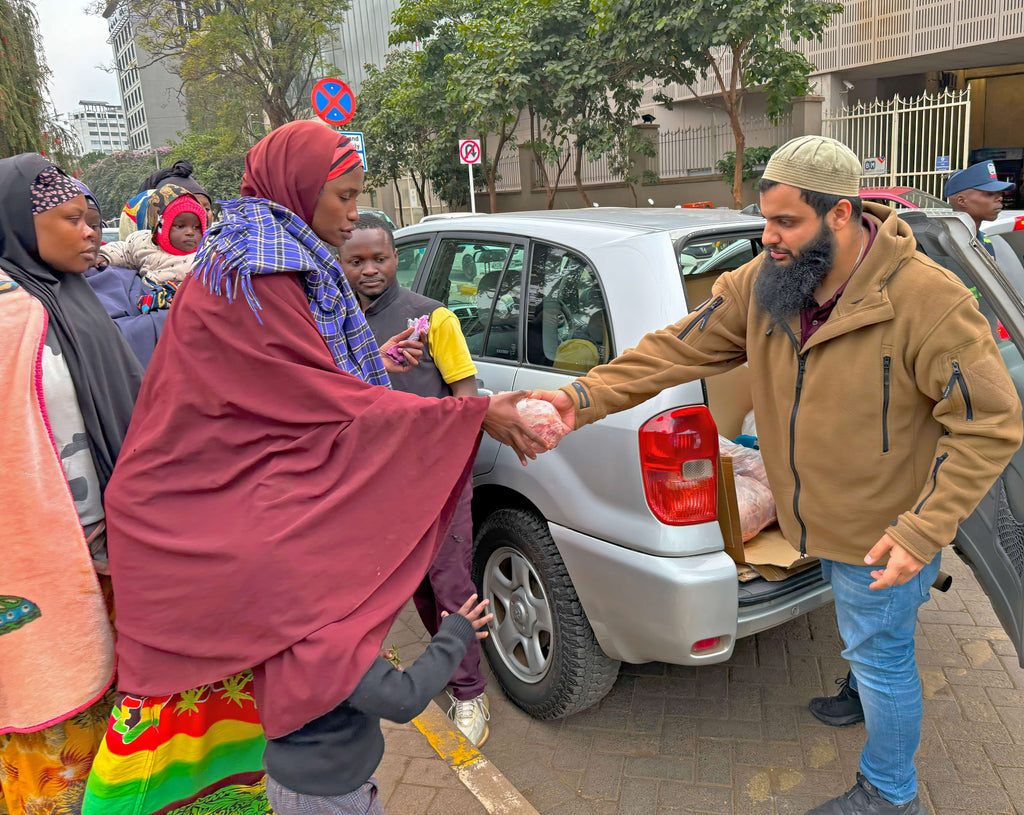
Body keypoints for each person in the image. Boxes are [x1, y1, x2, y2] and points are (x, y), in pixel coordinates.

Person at [530, 136, 1022, 815]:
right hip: (808, 518)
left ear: (843, 214)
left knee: (885, 661)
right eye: (765, 219)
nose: (769, 238)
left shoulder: (926, 302)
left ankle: (890, 792)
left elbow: (990, 421)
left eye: (786, 222)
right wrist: (578, 397)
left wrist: (923, 530)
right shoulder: (765, 286)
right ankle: (860, 687)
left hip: (882, 534)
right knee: (869, 645)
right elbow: (673, 350)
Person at [82, 120, 543, 815]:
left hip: (213, 492)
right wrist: (474, 415)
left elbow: (299, 382)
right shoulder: (264, 271)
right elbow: (315, 402)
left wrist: (376, 371)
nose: (355, 212)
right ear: (301, 188)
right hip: (218, 508)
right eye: (346, 195)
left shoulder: (262, 254)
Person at [0, 154, 142, 815]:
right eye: (72, 218)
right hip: (44, 570)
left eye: (92, 218)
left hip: (117, 556)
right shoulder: (7, 315)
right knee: (57, 753)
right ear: (22, 227)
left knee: (125, 735)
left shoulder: (78, 301)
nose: (91, 231)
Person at [339, 214, 491, 745]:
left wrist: (453, 470)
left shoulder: (432, 320)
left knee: (451, 584)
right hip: (374, 486)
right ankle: (437, 671)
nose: (369, 270)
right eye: (355, 261)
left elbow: (466, 399)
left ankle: (470, 693)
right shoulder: (334, 325)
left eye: (379, 258)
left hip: (438, 482)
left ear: (396, 256)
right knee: (411, 588)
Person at [265, 594, 492, 815]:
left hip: (288, 779)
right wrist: (454, 634)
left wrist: (365, 659)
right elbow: (404, 699)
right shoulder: (334, 646)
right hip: (329, 797)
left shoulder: (290, 627)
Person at [75, 180, 170, 368]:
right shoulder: (27, 294)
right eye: (72, 222)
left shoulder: (125, 279)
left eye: (94, 225)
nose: (88, 233)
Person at [100, 183, 208, 286]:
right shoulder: (143, 243)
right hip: (146, 299)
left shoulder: (207, 256)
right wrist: (104, 256)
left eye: (196, 227)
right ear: (160, 227)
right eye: (180, 226)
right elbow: (124, 251)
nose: (190, 232)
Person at [119, 159, 214, 240]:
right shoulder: (115, 257)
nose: (202, 215)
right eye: (188, 210)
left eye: (207, 209)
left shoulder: (217, 257)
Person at [944, 160, 1014, 258]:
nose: (1000, 198)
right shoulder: (945, 245)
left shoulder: (983, 241)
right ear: (961, 201)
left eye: (1000, 193)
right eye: (990, 193)